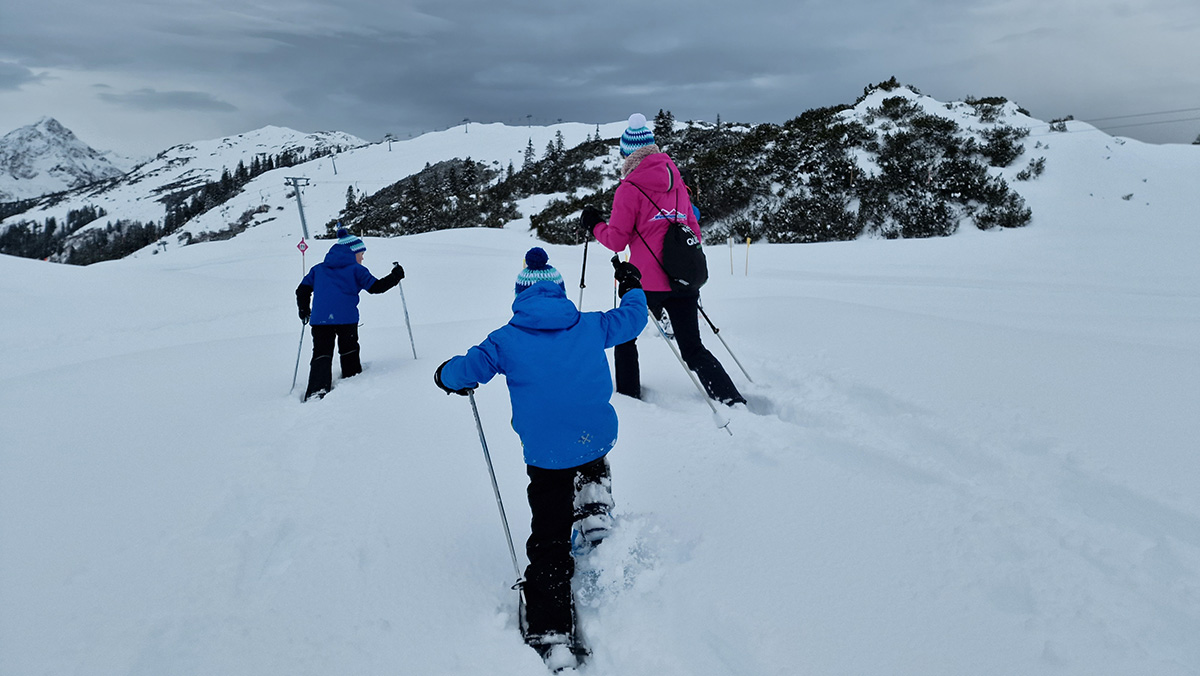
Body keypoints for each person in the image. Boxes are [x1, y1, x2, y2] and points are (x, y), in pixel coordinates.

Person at [434, 247, 646, 672]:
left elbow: (466, 371)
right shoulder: (590, 325)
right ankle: (593, 505)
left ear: (520, 296)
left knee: (549, 536)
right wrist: (633, 286)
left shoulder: (505, 339)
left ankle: (552, 631)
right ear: (562, 293)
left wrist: (444, 374)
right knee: (591, 456)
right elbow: (633, 319)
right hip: (595, 436)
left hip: (547, 455)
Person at [581, 113, 746, 406]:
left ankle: (629, 397)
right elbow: (693, 227)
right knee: (693, 349)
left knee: (625, 336)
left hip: (646, 281)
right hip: (683, 276)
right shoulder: (677, 181)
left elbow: (617, 240)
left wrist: (594, 224)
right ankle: (731, 399)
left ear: (628, 154)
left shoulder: (629, 189)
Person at [296, 227, 404, 401]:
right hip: (346, 320)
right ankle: (351, 379)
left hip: (320, 321)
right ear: (352, 253)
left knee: (321, 353)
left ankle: (317, 390)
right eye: (361, 253)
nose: (362, 257)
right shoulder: (356, 270)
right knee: (349, 350)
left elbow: (302, 290)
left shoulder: (318, 269)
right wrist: (395, 276)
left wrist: (304, 310)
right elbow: (376, 288)